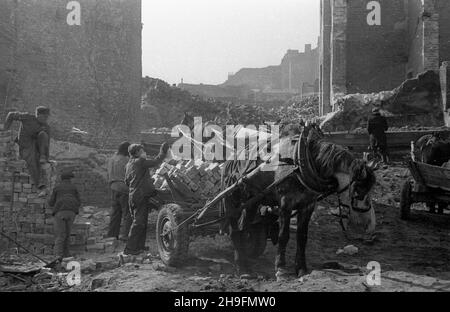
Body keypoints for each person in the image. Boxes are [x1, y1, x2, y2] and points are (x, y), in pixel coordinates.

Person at [122, 142, 169, 256]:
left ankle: (139, 247)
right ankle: (130, 248)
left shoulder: (128, 165)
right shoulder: (140, 162)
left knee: (141, 222)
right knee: (138, 222)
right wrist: (163, 151)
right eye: (142, 151)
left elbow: (127, 181)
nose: (144, 153)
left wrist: (146, 183)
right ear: (137, 152)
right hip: (140, 196)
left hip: (133, 196)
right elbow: (156, 162)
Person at [3, 106, 51, 195]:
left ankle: (42, 157)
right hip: (24, 146)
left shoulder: (46, 126)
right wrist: (5, 129)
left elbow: (47, 143)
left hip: (35, 147)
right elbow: (11, 115)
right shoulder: (27, 117)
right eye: (44, 117)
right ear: (38, 115)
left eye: (47, 117)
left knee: (43, 134)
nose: (46, 119)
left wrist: (46, 157)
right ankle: (40, 185)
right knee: (32, 160)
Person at [48, 170, 81, 259]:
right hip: (71, 212)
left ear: (61, 179)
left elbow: (51, 203)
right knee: (67, 233)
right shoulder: (74, 188)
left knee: (60, 235)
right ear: (70, 179)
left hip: (60, 212)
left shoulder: (57, 188)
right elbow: (79, 201)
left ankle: (58, 256)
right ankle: (67, 254)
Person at [106, 141, 132, 241]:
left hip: (113, 187)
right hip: (123, 189)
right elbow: (130, 175)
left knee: (115, 213)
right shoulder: (126, 160)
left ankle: (112, 235)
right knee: (127, 213)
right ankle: (125, 236)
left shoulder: (111, 159)